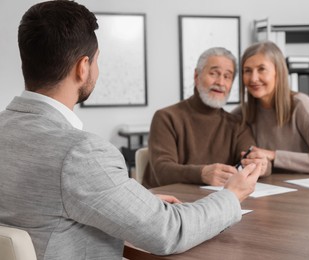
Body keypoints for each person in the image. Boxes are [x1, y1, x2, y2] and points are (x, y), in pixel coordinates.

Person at [0, 1, 264, 259]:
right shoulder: (80, 153)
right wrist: (232, 195)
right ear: (83, 67)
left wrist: (127, 199)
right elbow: (169, 232)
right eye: (96, 61)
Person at [143, 47, 270, 188]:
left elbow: (251, 161)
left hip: (216, 203)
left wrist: (263, 166)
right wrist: (201, 173)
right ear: (197, 76)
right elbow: (162, 171)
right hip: (169, 203)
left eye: (227, 76)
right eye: (214, 73)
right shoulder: (166, 118)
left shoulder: (237, 124)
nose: (220, 82)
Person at [236, 41, 309, 174]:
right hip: (268, 189)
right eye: (247, 71)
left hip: (305, 190)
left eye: (261, 69)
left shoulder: (300, 105)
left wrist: (274, 155)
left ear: (278, 72)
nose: (253, 78)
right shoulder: (242, 113)